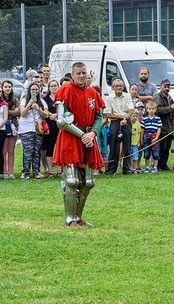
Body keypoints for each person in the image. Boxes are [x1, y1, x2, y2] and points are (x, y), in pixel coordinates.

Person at [53, 62, 105, 227]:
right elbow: (61, 121)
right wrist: (82, 134)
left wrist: (92, 133)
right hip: (71, 138)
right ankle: (69, 219)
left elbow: (99, 116)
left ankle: (78, 216)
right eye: (78, 73)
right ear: (72, 75)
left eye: (84, 73)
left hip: (89, 138)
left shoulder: (93, 93)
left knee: (88, 182)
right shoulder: (65, 90)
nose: (82, 76)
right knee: (72, 180)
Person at [19, 83, 49, 179]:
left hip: (38, 129)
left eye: (36, 89)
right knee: (28, 151)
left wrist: (38, 109)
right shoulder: (24, 100)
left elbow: (46, 115)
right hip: (26, 129)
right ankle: (25, 172)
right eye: (32, 89)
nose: (34, 91)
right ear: (29, 91)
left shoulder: (42, 102)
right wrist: (29, 104)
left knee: (37, 151)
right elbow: (22, 113)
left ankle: (36, 171)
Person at [104, 78, 134, 175]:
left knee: (127, 147)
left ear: (123, 87)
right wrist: (122, 116)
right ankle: (111, 169)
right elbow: (108, 114)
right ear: (113, 87)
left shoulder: (127, 96)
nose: (119, 88)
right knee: (113, 146)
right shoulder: (109, 98)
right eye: (116, 86)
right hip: (115, 122)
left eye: (120, 86)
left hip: (127, 121)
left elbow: (131, 109)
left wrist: (126, 118)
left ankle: (127, 169)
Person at [154, 79, 174, 171]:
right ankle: (158, 165)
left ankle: (164, 164)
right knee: (162, 147)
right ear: (161, 87)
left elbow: (173, 110)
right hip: (161, 126)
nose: (167, 88)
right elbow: (157, 110)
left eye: (168, 87)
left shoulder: (169, 97)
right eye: (165, 86)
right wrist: (170, 108)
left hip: (169, 127)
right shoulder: (158, 97)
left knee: (167, 147)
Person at [2, 80, 20, 179]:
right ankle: (4, 171)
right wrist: (11, 111)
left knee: (11, 150)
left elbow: (18, 112)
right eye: (6, 86)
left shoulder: (15, 99)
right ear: (2, 87)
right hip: (2, 126)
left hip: (13, 126)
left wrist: (6, 111)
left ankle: (11, 171)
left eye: (9, 86)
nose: (8, 88)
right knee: (4, 150)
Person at [41, 80, 60, 177]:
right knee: (50, 147)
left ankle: (60, 170)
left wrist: (56, 115)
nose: (53, 87)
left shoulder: (62, 98)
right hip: (50, 126)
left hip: (61, 125)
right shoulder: (45, 99)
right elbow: (45, 111)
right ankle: (50, 170)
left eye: (55, 85)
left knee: (60, 147)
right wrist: (50, 115)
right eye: (51, 86)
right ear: (48, 88)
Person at [140, 101, 162, 173]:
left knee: (155, 153)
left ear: (155, 109)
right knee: (147, 153)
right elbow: (142, 130)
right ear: (147, 109)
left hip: (155, 137)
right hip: (147, 137)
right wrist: (142, 139)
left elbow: (159, 129)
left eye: (153, 109)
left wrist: (156, 138)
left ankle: (155, 167)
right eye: (150, 109)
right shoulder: (144, 119)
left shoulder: (158, 119)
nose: (151, 110)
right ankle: (147, 166)